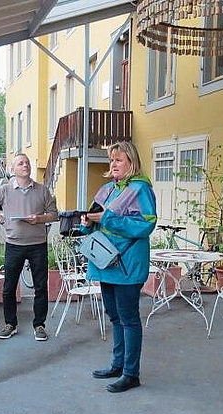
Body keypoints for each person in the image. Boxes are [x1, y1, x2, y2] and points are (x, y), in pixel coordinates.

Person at [80, 141, 156, 393]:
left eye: (119, 159)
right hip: (105, 262)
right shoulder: (108, 190)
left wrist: (108, 218)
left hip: (127, 264)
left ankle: (131, 373)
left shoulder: (140, 189)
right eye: (111, 160)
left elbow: (145, 226)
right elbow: (98, 221)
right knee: (114, 316)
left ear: (131, 163)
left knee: (129, 318)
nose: (113, 164)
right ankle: (118, 364)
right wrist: (86, 222)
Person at [0, 153, 58, 341]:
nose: (25, 165)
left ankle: (39, 325)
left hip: (38, 245)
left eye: (27, 162)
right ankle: (10, 324)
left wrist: (39, 219)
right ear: (12, 169)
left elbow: (54, 214)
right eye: (20, 163)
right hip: (14, 245)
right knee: (9, 287)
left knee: (41, 287)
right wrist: (0, 219)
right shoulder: (5, 190)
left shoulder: (42, 190)